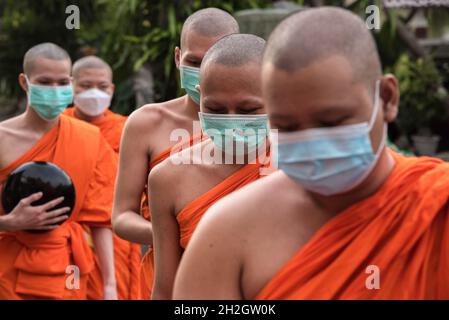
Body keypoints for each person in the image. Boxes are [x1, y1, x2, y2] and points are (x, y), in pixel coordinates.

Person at [173, 7, 449, 300]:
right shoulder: (227, 232)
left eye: (331, 121)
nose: (310, 142)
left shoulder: (436, 207)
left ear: (387, 98)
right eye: (287, 126)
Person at [112, 8, 240, 299]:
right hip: (170, 277)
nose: (204, 70)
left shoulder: (258, 125)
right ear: (177, 58)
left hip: (242, 271)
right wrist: (177, 233)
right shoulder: (146, 123)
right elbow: (121, 217)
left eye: (214, 58)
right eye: (195, 61)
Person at [149, 34, 270, 299]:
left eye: (248, 110)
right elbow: (165, 289)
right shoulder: (168, 178)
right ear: (200, 95)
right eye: (215, 108)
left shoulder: (298, 169)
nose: (232, 121)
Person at [0, 43, 117, 299]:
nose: (54, 90)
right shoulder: (2, 138)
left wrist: (110, 284)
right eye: (44, 82)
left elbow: (100, 219)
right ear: (24, 81)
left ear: (71, 83)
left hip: (67, 267)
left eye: (61, 82)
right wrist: (9, 222)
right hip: (8, 267)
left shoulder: (88, 137)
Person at [63, 55, 141, 300]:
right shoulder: (57, 125)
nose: (94, 93)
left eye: (102, 86)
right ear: (71, 84)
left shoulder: (127, 129)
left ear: (112, 89)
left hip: (115, 227)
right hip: (66, 230)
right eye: (85, 86)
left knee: (118, 289)